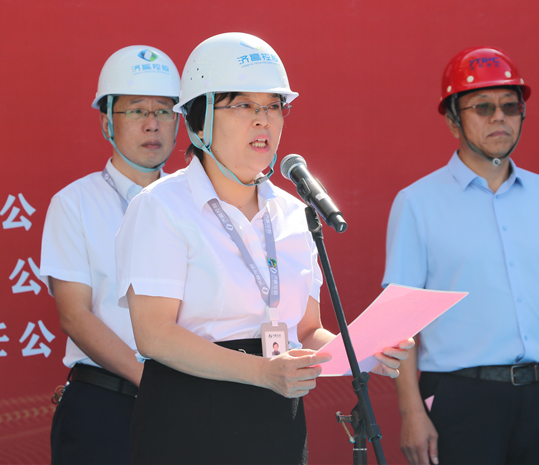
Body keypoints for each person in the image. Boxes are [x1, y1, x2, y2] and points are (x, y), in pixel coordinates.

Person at [116, 32, 414, 465]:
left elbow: (307, 331)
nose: (263, 121)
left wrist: (363, 353)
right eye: (243, 105)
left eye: (273, 106)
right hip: (189, 416)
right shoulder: (161, 206)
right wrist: (262, 372)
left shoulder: (293, 213)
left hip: (277, 418)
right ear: (199, 121)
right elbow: (154, 334)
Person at [384, 47, 539, 465]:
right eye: (482, 107)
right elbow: (399, 320)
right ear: (453, 121)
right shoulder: (417, 203)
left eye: (510, 106)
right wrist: (411, 411)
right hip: (463, 399)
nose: (499, 117)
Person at [39, 45, 181, 464]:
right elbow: (75, 315)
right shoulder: (74, 203)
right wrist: (151, 383)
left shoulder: (193, 203)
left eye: (164, 111)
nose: (152, 124)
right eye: (136, 111)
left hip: (187, 404)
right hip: (105, 406)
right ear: (106, 122)